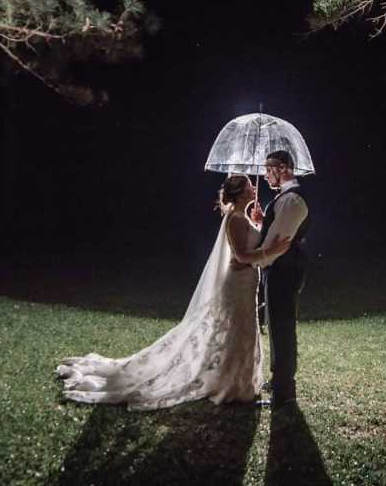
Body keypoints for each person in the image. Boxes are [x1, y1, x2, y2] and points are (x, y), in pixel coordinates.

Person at [56, 174, 291, 411]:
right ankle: (231, 384)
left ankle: (235, 380)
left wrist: (258, 223)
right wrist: (272, 250)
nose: (254, 188)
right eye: (250, 186)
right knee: (237, 331)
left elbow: (249, 243)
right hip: (238, 283)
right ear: (240, 193)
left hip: (246, 283)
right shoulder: (236, 219)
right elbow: (241, 256)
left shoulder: (243, 218)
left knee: (240, 331)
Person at [252, 150, 309, 409]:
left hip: (284, 269)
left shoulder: (293, 199)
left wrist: (255, 262)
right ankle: (279, 382)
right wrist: (263, 221)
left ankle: (284, 391)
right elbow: (276, 230)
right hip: (282, 268)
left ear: (283, 168)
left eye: (269, 168)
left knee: (282, 327)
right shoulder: (285, 199)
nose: (265, 175)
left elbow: (278, 241)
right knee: (277, 325)